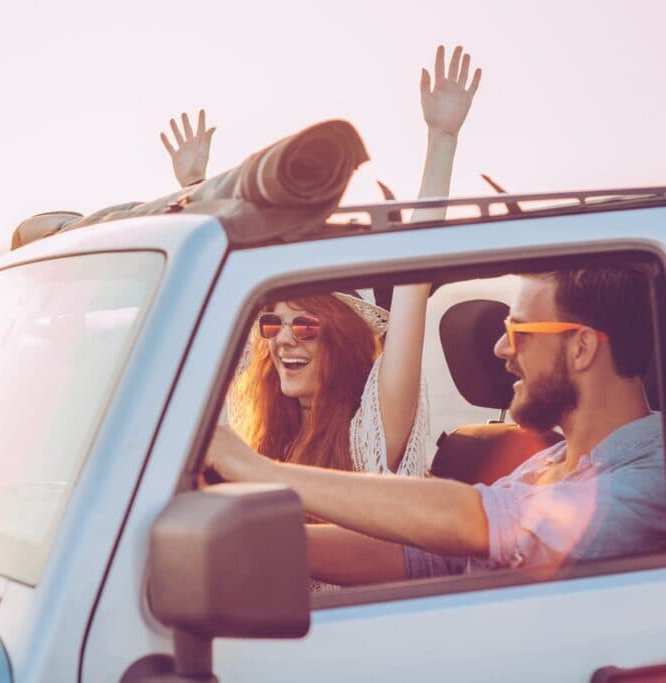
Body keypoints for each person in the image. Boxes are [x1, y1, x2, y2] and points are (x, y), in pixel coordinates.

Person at [206, 266, 666, 585]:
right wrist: (238, 539)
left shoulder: (650, 480)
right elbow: (430, 559)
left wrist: (260, 472)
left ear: (582, 348)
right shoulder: (546, 465)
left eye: (520, 332)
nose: (501, 350)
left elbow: (479, 523)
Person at [165, 46, 483, 477]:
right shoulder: (266, 435)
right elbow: (216, 321)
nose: (284, 340)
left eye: (307, 325)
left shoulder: (371, 433)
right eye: (273, 324)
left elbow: (414, 280)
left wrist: (442, 140)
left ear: (343, 338)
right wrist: (197, 190)